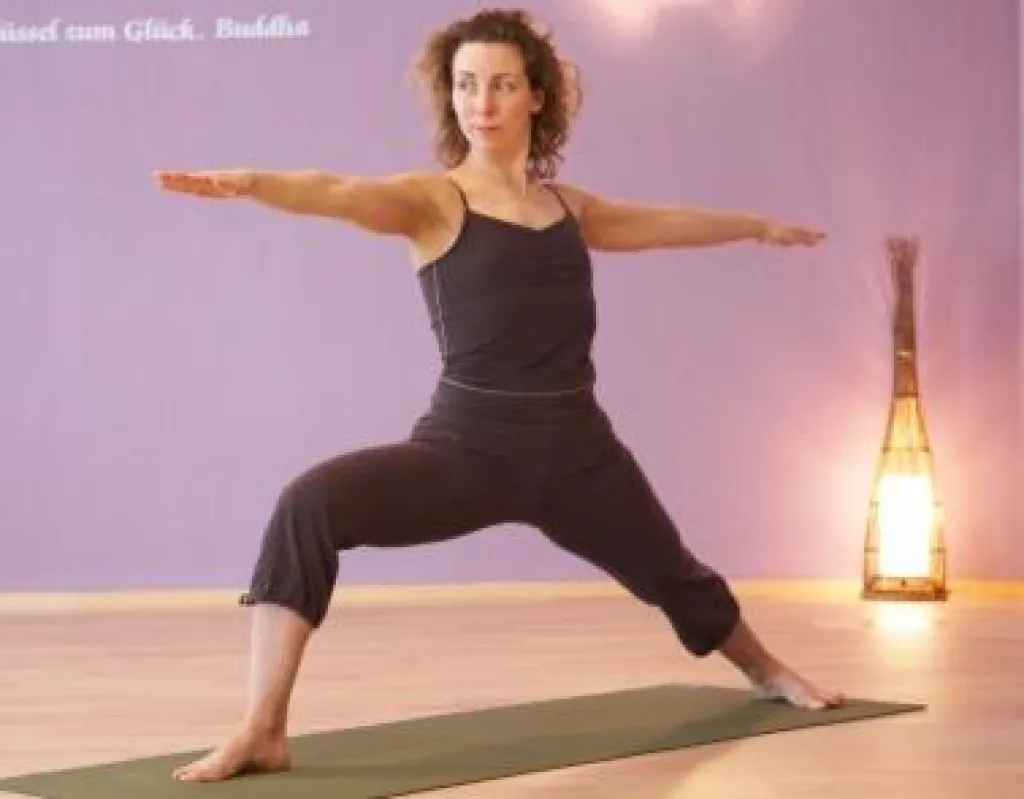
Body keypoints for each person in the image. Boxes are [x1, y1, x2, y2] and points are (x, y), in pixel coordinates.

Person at [154, 7, 843, 783]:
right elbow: (339, 191)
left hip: (580, 451)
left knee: (672, 572)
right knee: (306, 504)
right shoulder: (433, 201)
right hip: (468, 449)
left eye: (502, 85)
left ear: (535, 97)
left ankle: (768, 670)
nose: (481, 102)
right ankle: (262, 727)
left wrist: (753, 226)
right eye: (466, 85)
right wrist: (253, 183)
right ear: (450, 98)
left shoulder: (568, 210)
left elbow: (660, 221)